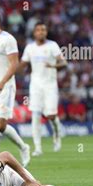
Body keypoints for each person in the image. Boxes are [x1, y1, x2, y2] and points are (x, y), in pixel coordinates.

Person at [0, 8, 30, 165]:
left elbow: (14, 64)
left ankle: (23, 147)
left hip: (5, 86)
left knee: (0, 125)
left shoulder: (8, 39)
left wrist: (2, 82)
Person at [20, 22, 67, 156]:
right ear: (34, 33)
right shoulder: (30, 48)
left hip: (50, 85)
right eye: (38, 30)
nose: (41, 32)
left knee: (50, 115)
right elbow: (22, 64)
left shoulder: (52, 45)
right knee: (35, 114)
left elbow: (63, 62)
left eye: (43, 30)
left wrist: (53, 66)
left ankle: (57, 136)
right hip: (35, 85)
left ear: (46, 32)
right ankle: (37, 148)